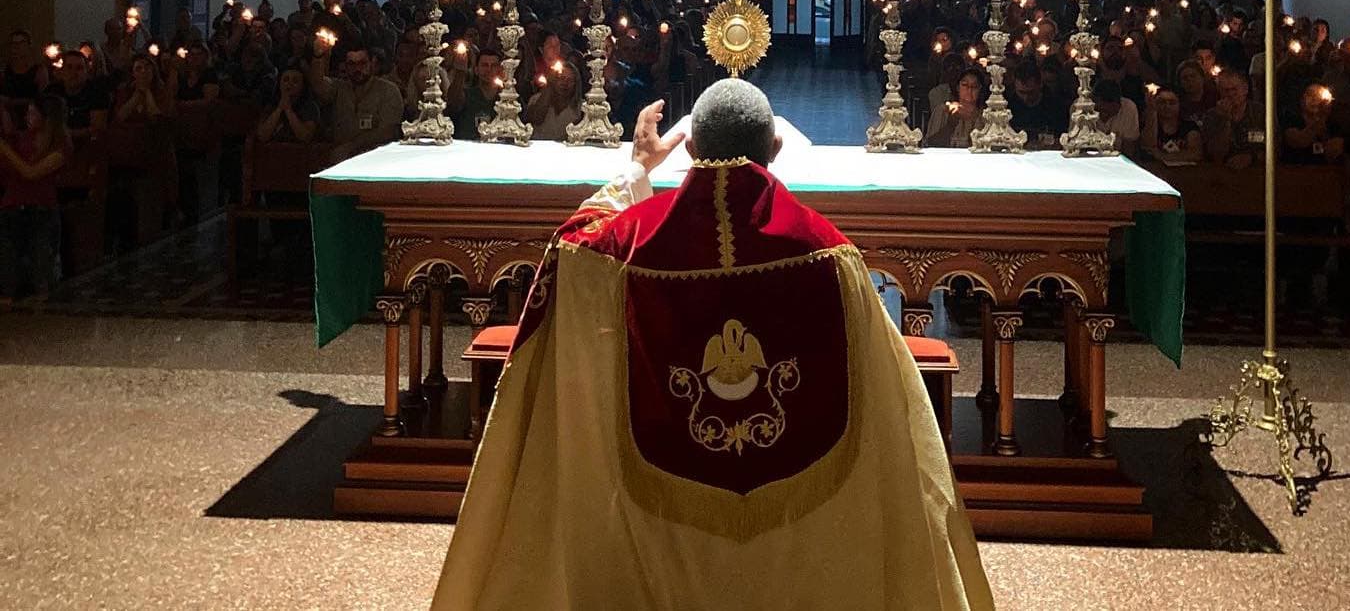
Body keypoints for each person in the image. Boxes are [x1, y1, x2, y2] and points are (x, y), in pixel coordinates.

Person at [430, 82, 993, 610]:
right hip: (793, 519)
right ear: (774, 147)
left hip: (659, 507)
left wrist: (637, 170)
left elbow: (569, 247)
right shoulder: (831, 254)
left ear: (692, 146)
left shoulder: (619, 251)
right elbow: (885, 400)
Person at [0, 94, 70, 302]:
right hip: (11, 207)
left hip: (41, 210)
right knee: (6, 270)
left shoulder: (61, 146)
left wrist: (4, 148)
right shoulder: (20, 139)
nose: (27, 116)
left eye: (32, 112)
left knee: (41, 274)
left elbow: (31, 173)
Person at [307, 43, 404, 161]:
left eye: (362, 63)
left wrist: (350, 147)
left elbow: (388, 131)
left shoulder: (389, 90)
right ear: (345, 66)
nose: (357, 69)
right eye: (351, 64)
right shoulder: (339, 88)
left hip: (377, 159)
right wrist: (318, 55)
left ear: (372, 63)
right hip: (341, 160)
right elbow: (318, 84)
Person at [46, 50, 109, 133]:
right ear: (62, 71)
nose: (73, 73)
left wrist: (67, 134)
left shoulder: (97, 93)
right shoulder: (52, 92)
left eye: (79, 68)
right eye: (69, 67)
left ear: (87, 73)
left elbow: (98, 129)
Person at [256, 65, 320, 144]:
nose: (289, 84)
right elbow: (262, 136)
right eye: (285, 80)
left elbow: (305, 137)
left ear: (303, 86)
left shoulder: (310, 107)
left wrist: (288, 110)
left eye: (295, 81)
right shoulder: (271, 105)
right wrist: (279, 109)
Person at [925, 66, 985, 147]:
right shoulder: (942, 111)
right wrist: (951, 124)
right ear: (957, 87)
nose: (969, 89)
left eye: (974, 86)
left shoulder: (985, 116)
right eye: (965, 85)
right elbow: (931, 143)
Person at [1141, 86, 1203, 163]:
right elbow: (1147, 147)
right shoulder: (1149, 124)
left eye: (1172, 103)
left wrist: (1163, 156)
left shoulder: (1190, 126)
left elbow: (1196, 153)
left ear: (1179, 105)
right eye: (1162, 102)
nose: (1167, 106)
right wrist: (1152, 111)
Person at [1093, 78, 1140, 156]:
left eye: (1108, 112)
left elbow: (1129, 148)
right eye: (1100, 110)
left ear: (1119, 104)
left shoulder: (1129, 108)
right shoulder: (1080, 107)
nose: (1104, 115)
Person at [2, 30, 49, 104]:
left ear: (29, 45)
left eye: (21, 43)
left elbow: (44, 98)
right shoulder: (4, 70)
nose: (16, 46)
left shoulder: (39, 71)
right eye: (13, 43)